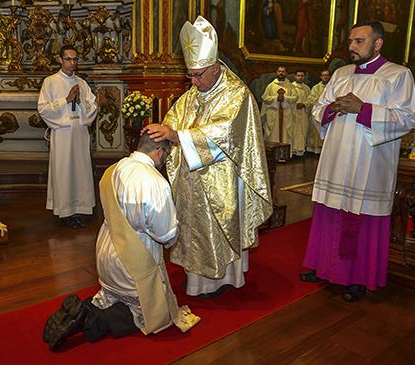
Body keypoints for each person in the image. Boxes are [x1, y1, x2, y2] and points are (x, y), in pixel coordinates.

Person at [143, 16, 273, 299]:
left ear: (215, 68)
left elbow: (225, 133)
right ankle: (197, 277)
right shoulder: (193, 94)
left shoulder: (237, 95)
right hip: (192, 179)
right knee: (192, 227)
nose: (193, 81)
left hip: (222, 180)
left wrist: (178, 136)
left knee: (217, 227)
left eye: (198, 75)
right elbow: (174, 119)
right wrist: (162, 135)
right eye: (189, 75)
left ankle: (220, 280)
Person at [42, 133, 200, 351]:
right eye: (166, 155)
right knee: (154, 313)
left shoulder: (113, 169)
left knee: (113, 294)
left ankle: (85, 307)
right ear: (159, 152)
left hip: (105, 253)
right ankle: (89, 321)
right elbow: (165, 234)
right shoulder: (155, 182)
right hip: (133, 259)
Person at [299, 20, 415, 302]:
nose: (352, 46)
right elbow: (317, 110)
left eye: (359, 41)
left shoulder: (398, 75)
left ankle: (357, 278)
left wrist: (362, 109)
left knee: (360, 218)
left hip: (370, 162)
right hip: (336, 158)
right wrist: (331, 108)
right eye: (350, 41)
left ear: (378, 43)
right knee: (330, 211)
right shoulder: (341, 73)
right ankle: (323, 267)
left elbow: (405, 119)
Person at [38, 44, 98, 229]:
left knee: (80, 171)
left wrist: (81, 103)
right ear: (60, 60)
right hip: (62, 134)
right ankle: (65, 213)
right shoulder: (50, 82)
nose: (72, 63)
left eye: (75, 59)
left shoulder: (82, 83)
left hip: (79, 133)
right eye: (68, 59)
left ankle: (78, 211)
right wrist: (66, 101)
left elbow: (92, 107)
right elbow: (43, 109)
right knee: (64, 171)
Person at [261, 65, 299, 155]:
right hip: (274, 115)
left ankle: (284, 155)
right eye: (279, 71)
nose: (281, 73)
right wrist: (276, 99)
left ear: (286, 73)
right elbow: (265, 97)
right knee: (273, 134)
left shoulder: (290, 86)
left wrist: (285, 99)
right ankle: (272, 155)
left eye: (283, 71)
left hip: (286, 115)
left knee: (285, 134)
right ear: (276, 72)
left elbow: (295, 97)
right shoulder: (271, 86)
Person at [306, 69, 330, 154]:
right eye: (324, 75)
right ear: (320, 77)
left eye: (327, 75)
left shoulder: (332, 87)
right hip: (319, 112)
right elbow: (312, 99)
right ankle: (316, 149)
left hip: (329, 112)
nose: (326, 77)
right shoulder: (316, 87)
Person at [291, 68, 311, 157]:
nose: (300, 77)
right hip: (293, 113)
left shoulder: (306, 88)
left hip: (303, 113)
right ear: (295, 76)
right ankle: (293, 150)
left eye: (302, 76)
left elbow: (310, 101)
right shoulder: (291, 87)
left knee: (302, 130)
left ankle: (300, 151)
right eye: (298, 76)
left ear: (305, 77)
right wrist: (295, 105)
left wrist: (304, 104)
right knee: (293, 131)